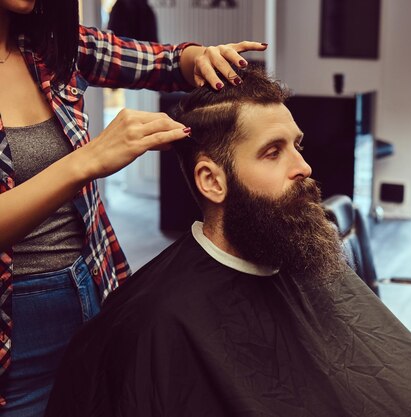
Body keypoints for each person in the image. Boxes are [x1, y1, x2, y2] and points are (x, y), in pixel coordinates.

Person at [45, 67, 411, 417]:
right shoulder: (155, 322)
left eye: (296, 145)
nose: (303, 167)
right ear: (211, 181)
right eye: (273, 151)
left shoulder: (300, 260)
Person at [0, 0, 267, 414]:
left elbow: (161, 63)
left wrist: (200, 59)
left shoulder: (47, 47)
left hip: (92, 288)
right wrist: (87, 161)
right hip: (15, 331)